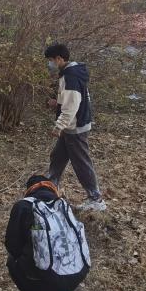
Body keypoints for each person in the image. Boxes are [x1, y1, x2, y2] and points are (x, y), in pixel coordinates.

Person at [4, 175, 91, 291]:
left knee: (12, 261)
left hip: (44, 276)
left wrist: (26, 254)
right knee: (59, 252)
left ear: (29, 190)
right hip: (77, 275)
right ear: (52, 189)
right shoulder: (63, 205)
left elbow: (12, 245)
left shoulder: (23, 206)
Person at [44, 44, 106, 212]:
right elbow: (72, 100)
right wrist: (57, 104)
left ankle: (96, 199)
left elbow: (72, 106)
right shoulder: (72, 72)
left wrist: (59, 126)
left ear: (59, 59)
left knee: (81, 163)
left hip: (75, 128)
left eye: (50, 60)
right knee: (57, 157)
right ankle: (50, 187)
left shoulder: (70, 76)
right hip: (72, 126)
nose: (50, 64)